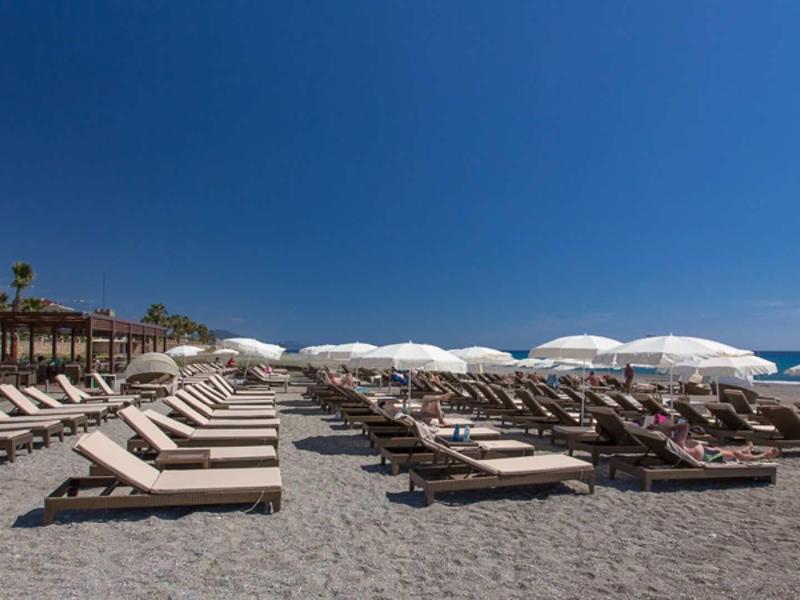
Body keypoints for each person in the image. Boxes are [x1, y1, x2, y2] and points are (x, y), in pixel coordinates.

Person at [665, 422, 779, 462]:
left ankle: (745, 449)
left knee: (728, 451)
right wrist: (670, 428)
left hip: (706, 452)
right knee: (735, 454)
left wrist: (668, 430)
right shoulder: (678, 441)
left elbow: (684, 427)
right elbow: (685, 425)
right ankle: (764, 455)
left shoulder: (673, 441)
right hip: (706, 457)